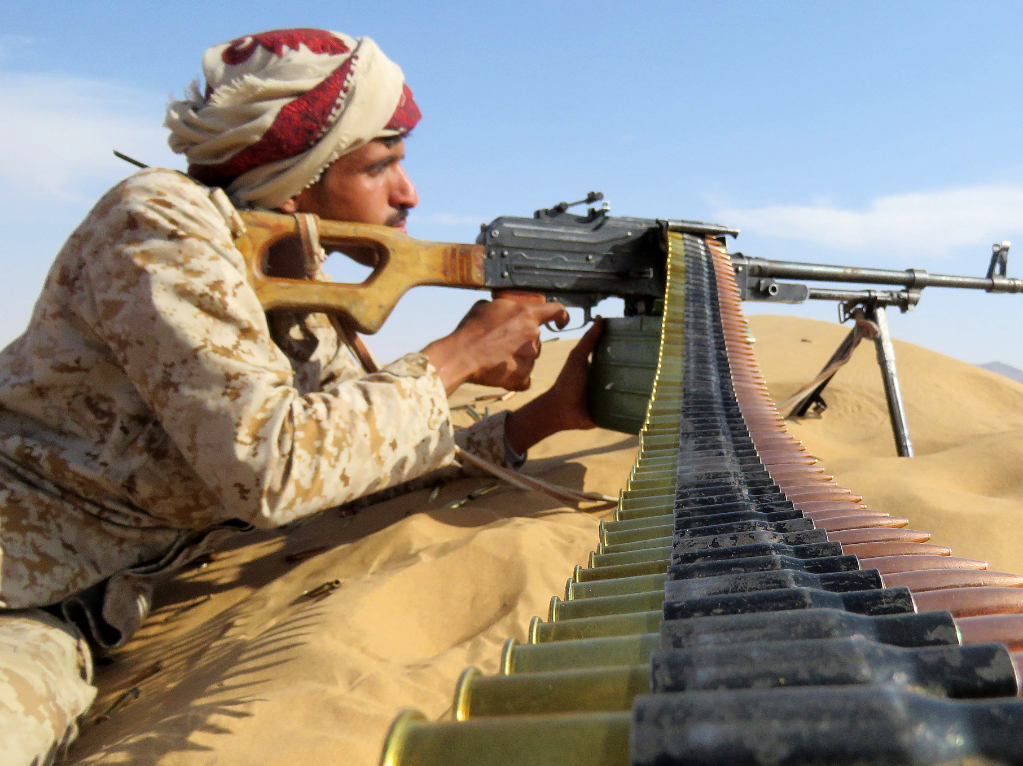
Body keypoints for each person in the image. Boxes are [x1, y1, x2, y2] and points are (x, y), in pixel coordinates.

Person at [0, 28, 600, 764]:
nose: (408, 193)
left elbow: (351, 462)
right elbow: (273, 466)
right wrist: (452, 359)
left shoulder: (296, 290)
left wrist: (543, 420)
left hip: (82, 606)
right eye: (382, 164)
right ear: (302, 173)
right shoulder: (156, 221)